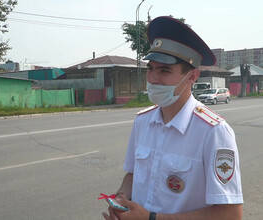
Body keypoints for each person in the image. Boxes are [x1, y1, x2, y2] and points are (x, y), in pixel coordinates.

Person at [102, 16, 243, 220]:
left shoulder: (214, 132)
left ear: (192, 76)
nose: (152, 79)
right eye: (151, 69)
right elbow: (133, 175)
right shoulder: (143, 121)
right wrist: (122, 199)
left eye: (164, 71)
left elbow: (230, 214)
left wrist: (151, 218)